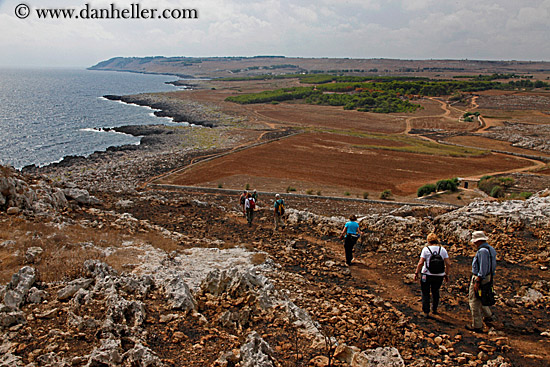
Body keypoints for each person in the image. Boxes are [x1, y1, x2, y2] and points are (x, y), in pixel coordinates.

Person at [414, 233, 451, 318]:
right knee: (435, 291)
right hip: (439, 275)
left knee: (425, 292)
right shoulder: (442, 250)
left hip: (427, 274)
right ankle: (434, 309)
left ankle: (426, 311)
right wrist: (446, 274)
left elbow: (420, 263)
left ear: (428, 241)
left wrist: (416, 272)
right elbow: (448, 263)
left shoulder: (426, 249)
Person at [467, 230, 497, 332]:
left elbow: (483, 267)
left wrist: (478, 281)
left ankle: (477, 325)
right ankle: (488, 315)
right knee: (483, 295)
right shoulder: (491, 249)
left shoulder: (482, 251)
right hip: (488, 277)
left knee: (474, 301)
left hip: (480, 277)